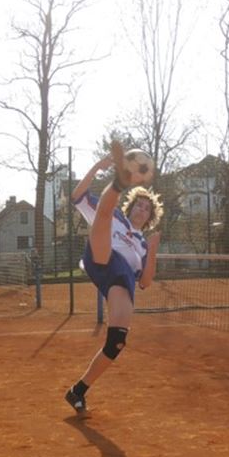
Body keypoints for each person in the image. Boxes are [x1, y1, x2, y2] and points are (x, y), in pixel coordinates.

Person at [64, 145, 163, 415]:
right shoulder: (118, 216)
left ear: (150, 218)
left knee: (117, 342)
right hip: (101, 255)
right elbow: (77, 196)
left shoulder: (143, 245)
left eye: (147, 209)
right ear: (131, 207)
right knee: (105, 216)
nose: (142, 209)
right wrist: (98, 167)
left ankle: (77, 391)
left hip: (120, 278)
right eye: (139, 204)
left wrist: (153, 250)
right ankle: (119, 182)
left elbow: (145, 282)